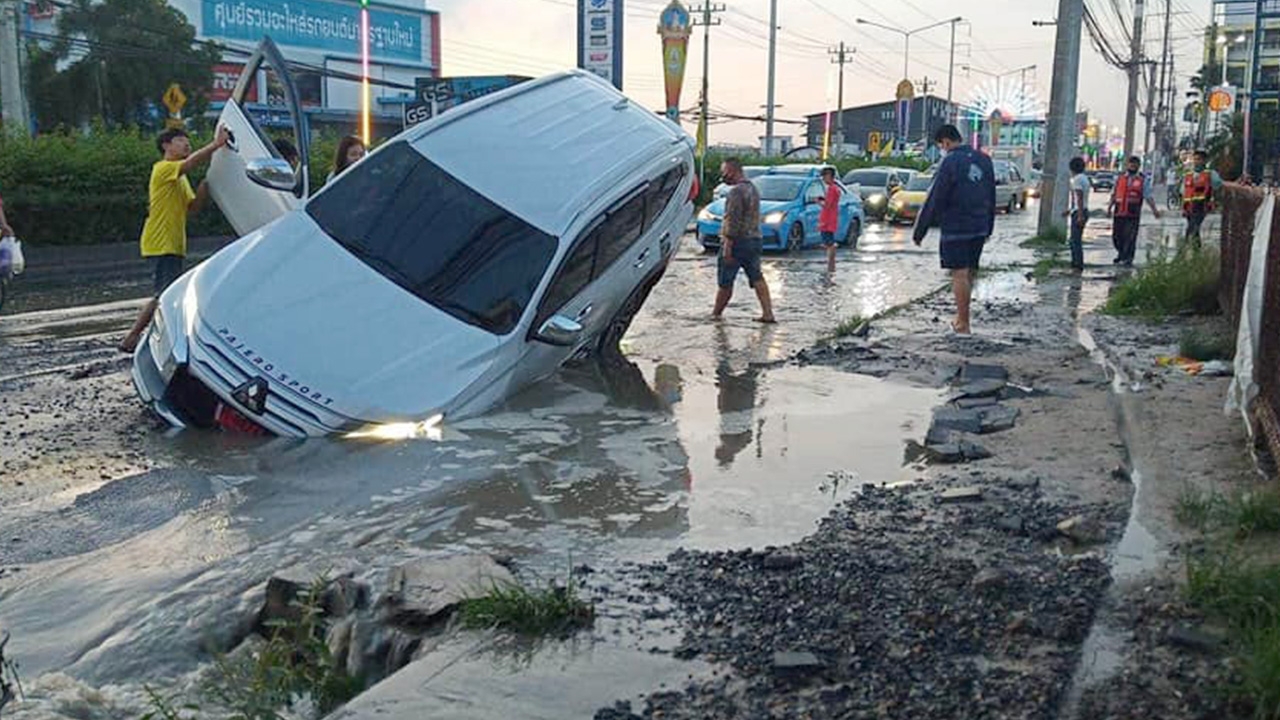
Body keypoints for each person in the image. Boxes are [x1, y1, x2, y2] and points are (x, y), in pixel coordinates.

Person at [119, 126, 229, 354]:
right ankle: (133, 337)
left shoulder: (181, 179)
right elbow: (189, 164)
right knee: (164, 294)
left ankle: (149, 337)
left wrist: (208, 183)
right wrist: (216, 145)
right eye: (180, 140)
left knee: (167, 293)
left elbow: (193, 207)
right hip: (160, 243)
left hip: (173, 244)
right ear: (165, 146)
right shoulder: (162, 169)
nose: (186, 144)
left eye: (187, 140)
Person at [913, 124, 996, 336]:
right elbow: (991, 194)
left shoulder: (949, 161)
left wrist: (920, 229)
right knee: (968, 272)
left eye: (941, 145)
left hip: (956, 226)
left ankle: (963, 324)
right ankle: (962, 318)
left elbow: (936, 196)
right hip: (979, 225)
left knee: (958, 273)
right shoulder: (984, 159)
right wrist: (989, 227)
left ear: (945, 142)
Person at [712, 157, 776, 324]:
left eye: (724, 171)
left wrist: (727, 246)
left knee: (725, 282)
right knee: (757, 277)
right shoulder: (753, 189)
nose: (723, 175)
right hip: (754, 240)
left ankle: (716, 316)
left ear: (732, 171)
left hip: (737, 242)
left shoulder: (735, 192)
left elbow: (732, 220)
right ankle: (768, 313)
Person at [1107, 155, 1161, 266]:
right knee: (1117, 236)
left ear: (1138, 166)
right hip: (1119, 211)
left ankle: (1128, 258)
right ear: (1128, 165)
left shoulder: (1143, 179)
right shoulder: (1120, 178)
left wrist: (1154, 210)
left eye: (1135, 164)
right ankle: (1121, 253)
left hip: (1133, 213)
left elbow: (1148, 196)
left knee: (1130, 237)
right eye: (1131, 164)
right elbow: (1114, 194)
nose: (1132, 166)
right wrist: (1109, 208)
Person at [1183, 149, 1224, 248]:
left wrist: (1214, 201)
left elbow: (1218, 185)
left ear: (1205, 161)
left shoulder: (1210, 173)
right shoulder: (1188, 175)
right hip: (1189, 207)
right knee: (1193, 229)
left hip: (1201, 205)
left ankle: (1183, 250)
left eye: (1199, 159)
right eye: (1195, 159)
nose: (1197, 162)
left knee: (1192, 228)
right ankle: (1196, 251)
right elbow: (1183, 191)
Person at [1062, 156, 1091, 271]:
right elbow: (1079, 199)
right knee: (1075, 240)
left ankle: (1077, 264)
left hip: (1080, 212)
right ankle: (1077, 263)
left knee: (1075, 241)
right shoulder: (1084, 178)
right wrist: (1070, 210)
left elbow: (1079, 197)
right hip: (1081, 210)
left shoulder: (1077, 180)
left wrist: (1079, 215)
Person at [818, 167, 842, 273]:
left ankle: (831, 265)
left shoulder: (832, 189)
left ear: (830, 176)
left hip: (828, 220)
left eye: (825, 176)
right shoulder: (834, 188)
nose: (823, 179)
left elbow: (828, 205)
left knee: (829, 243)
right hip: (830, 219)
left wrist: (818, 202)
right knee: (829, 242)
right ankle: (831, 264)